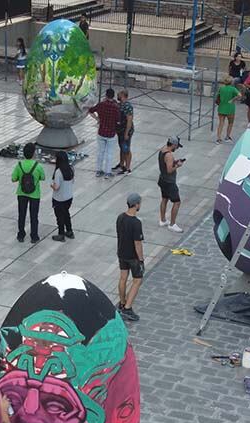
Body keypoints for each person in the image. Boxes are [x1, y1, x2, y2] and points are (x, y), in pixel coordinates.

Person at [116, 193, 145, 322]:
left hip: (121, 252)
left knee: (123, 278)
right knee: (137, 280)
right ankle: (128, 308)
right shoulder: (136, 223)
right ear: (136, 204)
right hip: (132, 256)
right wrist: (141, 260)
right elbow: (137, 243)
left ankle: (122, 303)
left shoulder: (120, 217)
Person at [11, 142, 45, 244]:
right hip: (35, 195)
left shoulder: (19, 165)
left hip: (21, 193)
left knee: (22, 214)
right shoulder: (38, 166)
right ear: (34, 153)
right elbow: (43, 177)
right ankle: (34, 236)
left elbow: (13, 179)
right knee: (34, 216)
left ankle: (21, 234)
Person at [87, 88, 120, 178]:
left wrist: (98, 119)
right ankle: (107, 173)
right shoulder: (116, 107)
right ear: (113, 96)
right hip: (111, 133)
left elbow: (90, 110)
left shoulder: (101, 104)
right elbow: (118, 120)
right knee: (109, 153)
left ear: (106, 95)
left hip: (101, 131)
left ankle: (98, 170)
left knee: (100, 152)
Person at [157, 137, 185, 232]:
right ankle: (172, 224)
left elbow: (165, 165)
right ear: (173, 145)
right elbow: (169, 170)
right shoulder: (169, 155)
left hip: (162, 179)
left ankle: (163, 219)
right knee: (177, 202)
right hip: (169, 182)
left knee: (164, 199)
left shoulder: (162, 150)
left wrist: (174, 162)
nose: (176, 148)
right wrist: (177, 165)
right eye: (176, 146)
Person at [50, 151, 75, 242]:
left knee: (59, 217)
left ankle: (61, 234)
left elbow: (56, 187)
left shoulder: (58, 172)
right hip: (69, 197)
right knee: (66, 214)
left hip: (59, 199)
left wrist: (51, 185)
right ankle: (69, 231)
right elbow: (72, 181)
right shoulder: (71, 168)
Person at [113, 89, 134, 175]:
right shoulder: (120, 104)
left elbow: (129, 120)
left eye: (118, 95)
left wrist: (126, 133)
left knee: (126, 149)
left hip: (126, 131)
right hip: (120, 130)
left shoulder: (127, 106)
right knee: (122, 147)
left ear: (122, 95)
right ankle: (121, 164)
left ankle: (127, 168)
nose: (117, 96)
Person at [215, 76, 240, 143]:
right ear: (232, 82)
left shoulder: (221, 88)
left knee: (221, 123)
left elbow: (218, 96)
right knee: (230, 123)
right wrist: (232, 99)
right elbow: (239, 95)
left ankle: (218, 138)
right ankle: (227, 136)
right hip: (230, 108)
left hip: (221, 107)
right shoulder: (233, 89)